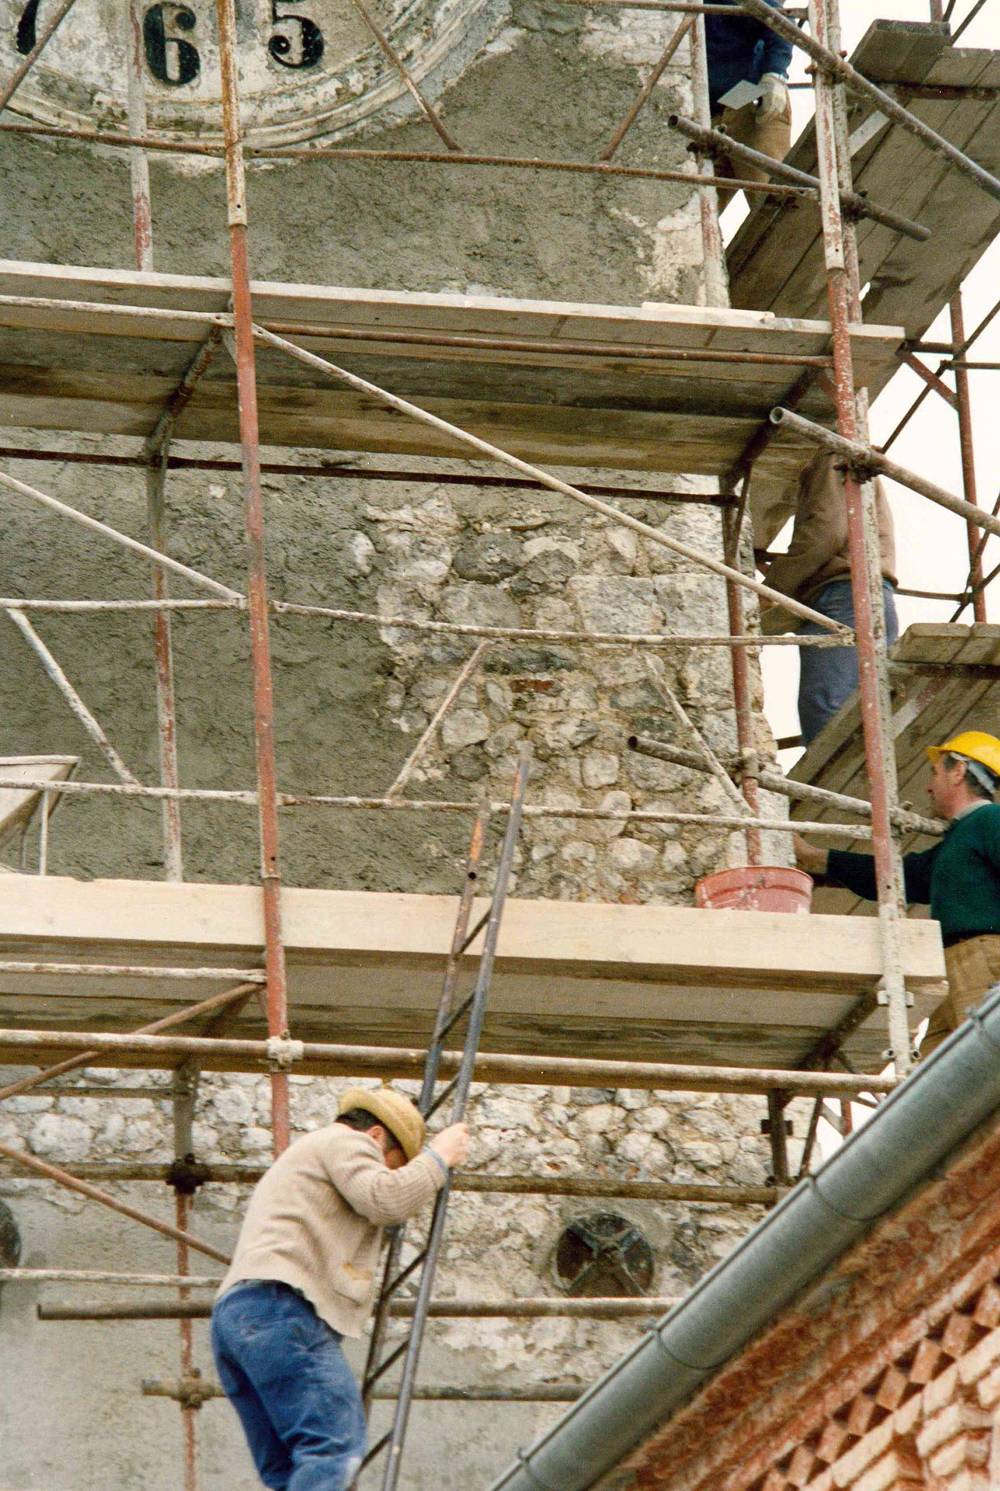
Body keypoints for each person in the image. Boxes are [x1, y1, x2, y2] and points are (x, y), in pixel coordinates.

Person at [211, 1085, 470, 1491]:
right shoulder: (347, 1142)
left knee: (288, 1472)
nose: (388, 1173)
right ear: (377, 1136)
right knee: (333, 1449)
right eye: (393, 1164)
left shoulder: (311, 1154)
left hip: (241, 1317)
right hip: (281, 1308)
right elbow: (385, 1199)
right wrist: (438, 1158)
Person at [795, 731, 1000, 1055]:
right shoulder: (958, 840)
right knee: (940, 1087)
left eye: (935, 773)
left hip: (982, 960)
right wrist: (817, 858)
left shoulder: (991, 820)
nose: (929, 786)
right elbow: (899, 876)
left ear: (958, 771)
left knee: (986, 1070)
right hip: (953, 965)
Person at [758, 452, 899, 746]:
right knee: (864, 712)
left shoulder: (831, 457)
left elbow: (824, 533)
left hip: (843, 596)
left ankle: (833, 792)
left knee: (825, 709)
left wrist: (771, 588)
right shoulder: (855, 461)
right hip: (867, 593)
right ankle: (859, 789)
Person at [705, 0, 793, 208]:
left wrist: (775, 74)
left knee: (771, 194)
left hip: (748, 95)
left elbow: (778, 20)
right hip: (707, 111)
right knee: (697, 211)